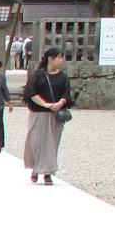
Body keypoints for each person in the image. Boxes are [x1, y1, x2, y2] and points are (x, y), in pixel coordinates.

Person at [22, 46, 73, 185]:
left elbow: (66, 93)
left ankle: (48, 172)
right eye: (59, 57)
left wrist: (60, 102)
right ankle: (35, 168)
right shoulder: (37, 74)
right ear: (50, 59)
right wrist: (45, 104)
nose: (62, 60)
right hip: (38, 113)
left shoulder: (62, 76)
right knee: (35, 142)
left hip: (54, 115)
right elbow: (30, 91)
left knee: (51, 144)